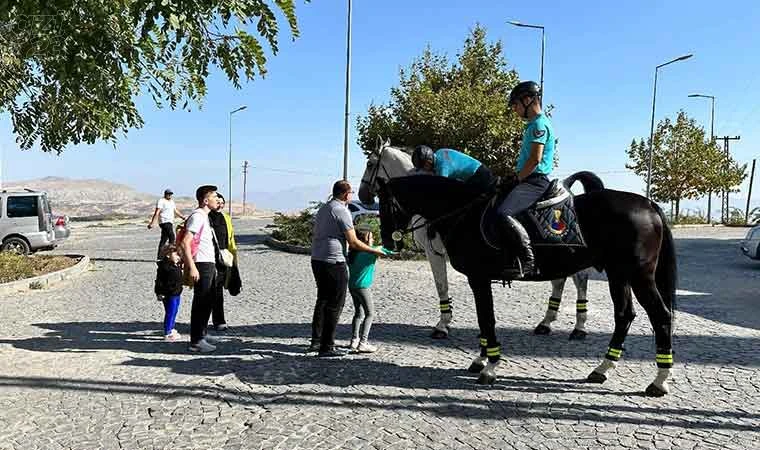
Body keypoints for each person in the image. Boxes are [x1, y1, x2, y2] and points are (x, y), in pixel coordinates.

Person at [309, 180, 386, 358]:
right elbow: (353, 241)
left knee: (322, 300)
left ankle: (316, 341)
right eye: (351, 193)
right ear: (345, 194)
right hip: (333, 261)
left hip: (317, 259)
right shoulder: (342, 211)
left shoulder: (324, 208)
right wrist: (374, 250)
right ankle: (327, 346)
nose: (352, 196)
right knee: (335, 303)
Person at [498, 80, 556, 279]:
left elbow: (535, 159)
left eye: (515, 104)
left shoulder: (539, 124)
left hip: (535, 181)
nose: (514, 109)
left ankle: (528, 260)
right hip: (528, 179)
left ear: (528, 100)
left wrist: (517, 178)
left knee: (504, 213)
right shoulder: (532, 125)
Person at [181, 184, 222, 353]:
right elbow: (185, 242)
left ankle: (202, 333)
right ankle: (196, 341)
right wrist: (192, 267)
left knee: (209, 300)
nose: (218, 199)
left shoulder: (205, 217)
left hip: (209, 263)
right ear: (206, 200)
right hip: (201, 264)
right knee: (201, 301)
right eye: (214, 196)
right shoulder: (198, 216)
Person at [347, 229, 391, 353]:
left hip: (352, 286)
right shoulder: (370, 253)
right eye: (371, 238)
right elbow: (388, 252)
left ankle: (354, 340)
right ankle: (363, 342)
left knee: (358, 313)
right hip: (363, 287)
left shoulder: (353, 253)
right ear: (364, 240)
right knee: (370, 314)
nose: (373, 240)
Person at [208, 193, 238, 332]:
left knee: (218, 290)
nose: (220, 205)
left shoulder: (226, 218)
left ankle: (219, 320)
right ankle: (203, 322)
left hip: (223, 259)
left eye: (222, 202)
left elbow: (230, 239)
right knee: (207, 291)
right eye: (217, 202)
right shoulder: (205, 217)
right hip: (208, 258)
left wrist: (233, 256)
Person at [412, 146, 494, 193]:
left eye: (423, 167)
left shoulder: (442, 169)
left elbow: (439, 190)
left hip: (479, 176)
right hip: (481, 170)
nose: (424, 170)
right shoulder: (440, 151)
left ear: (429, 161)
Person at [154, 244, 183, 342]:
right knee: (170, 312)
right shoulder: (164, 267)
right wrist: (159, 292)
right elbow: (159, 281)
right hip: (169, 294)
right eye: (176, 255)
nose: (179, 257)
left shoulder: (175, 265)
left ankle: (171, 328)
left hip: (176, 293)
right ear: (168, 255)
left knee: (174, 311)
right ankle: (167, 332)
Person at [148, 188, 186, 260]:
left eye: (171, 194)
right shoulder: (161, 201)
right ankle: (171, 254)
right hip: (164, 221)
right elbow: (157, 212)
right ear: (165, 194)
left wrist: (182, 217)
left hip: (170, 221)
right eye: (168, 194)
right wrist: (152, 223)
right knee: (172, 237)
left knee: (164, 239)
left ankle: (160, 256)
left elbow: (175, 211)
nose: (170, 196)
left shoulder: (172, 202)